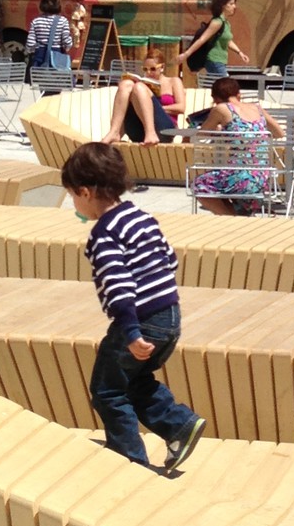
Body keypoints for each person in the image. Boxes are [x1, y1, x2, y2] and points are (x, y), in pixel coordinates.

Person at [62, 140, 206, 472]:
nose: (74, 205)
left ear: (85, 192)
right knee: (134, 381)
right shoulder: (141, 217)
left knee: (108, 391)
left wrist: (130, 331)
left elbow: (117, 285)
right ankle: (179, 426)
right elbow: (170, 259)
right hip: (170, 316)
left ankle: (128, 462)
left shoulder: (105, 233)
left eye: (72, 197)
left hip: (139, 319)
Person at [189, 77, 283, 213]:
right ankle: (239, 216)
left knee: (199, 185)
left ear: (215, 99)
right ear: (239, 95)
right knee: (225, 181)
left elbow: (201, 136)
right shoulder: (257, 108)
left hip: (240, 176)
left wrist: (220, 131)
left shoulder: (221, 109)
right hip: (261, 176)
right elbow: (279, 133)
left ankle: (231, 218)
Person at [102, 52, 183, 146]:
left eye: (153, 69)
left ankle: (151, 133)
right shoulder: (144, 83)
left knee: (139, 87)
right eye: (145, 69)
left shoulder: (173, 81)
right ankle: (114, 132)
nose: (149, 73)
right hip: (139, 129)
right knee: (126, 84)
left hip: (164, 129)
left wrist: (152, 107)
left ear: (162, 67)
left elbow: (181, 107)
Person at [182, 0, 246, 82]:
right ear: (223, 5)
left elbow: (228, 41)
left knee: (217, 87)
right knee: (226, 85)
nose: (234, 7)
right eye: (231, 4)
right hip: (214, 60)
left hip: (220, 61)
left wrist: (240, 52)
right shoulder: (217, 22)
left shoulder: (226, 23)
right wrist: (187, 53)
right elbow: (202, 39)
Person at [26, 0, 75, 82]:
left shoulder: (36, 21)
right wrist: (68, 46)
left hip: (40, 59)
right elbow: (67, 43)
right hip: (57, 58)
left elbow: (30, 44)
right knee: (56, 85)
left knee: (42, 85)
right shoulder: (62, 21)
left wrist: (35, 51)